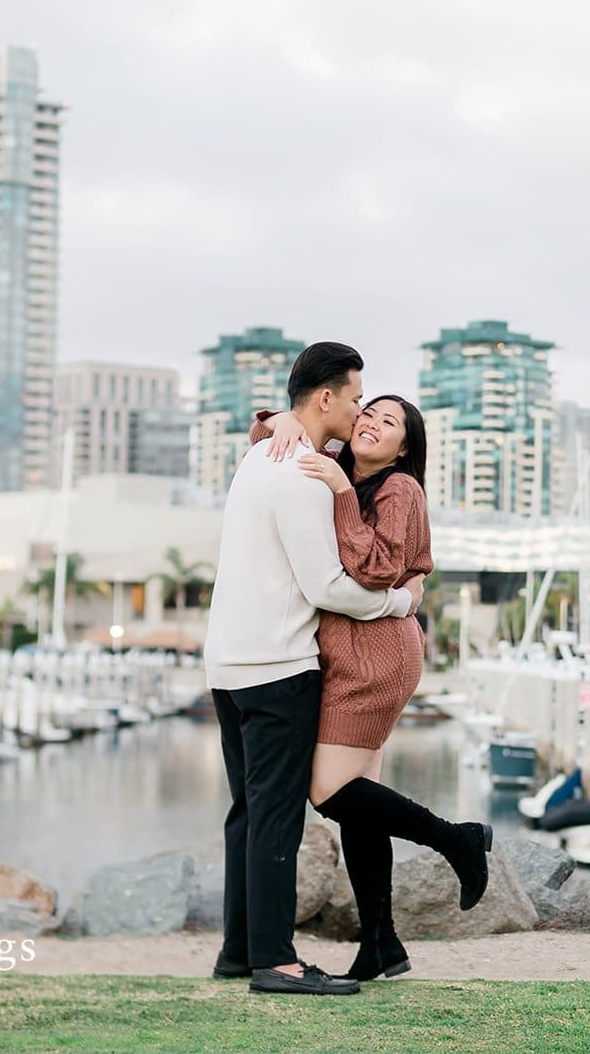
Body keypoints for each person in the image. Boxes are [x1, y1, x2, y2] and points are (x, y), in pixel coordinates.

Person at [204, 341, 424, 997]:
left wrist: (277, 419)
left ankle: (238, 950)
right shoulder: (300, 469)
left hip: (229, 663)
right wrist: (398, 601)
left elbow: (274, 424)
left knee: (248, 811)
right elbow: (327, 584)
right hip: (277, 665)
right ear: (325, 398)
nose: (360, 408)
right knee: (275, 815)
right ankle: (276, 961)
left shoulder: (260, 455)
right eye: (356, 396)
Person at [252, 396, 492, 983]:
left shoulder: (397, 489)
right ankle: (382, 945)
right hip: (348, 649)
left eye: (390, 423)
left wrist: (337, 488)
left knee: (329, 791)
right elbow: (263, 440)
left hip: (376, 654)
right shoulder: (334, 461)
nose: (371, 423)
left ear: (404, 447)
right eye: (369, 412)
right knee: (362, 806)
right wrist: (279, 420)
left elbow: (378, 570)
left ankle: (457, 840)